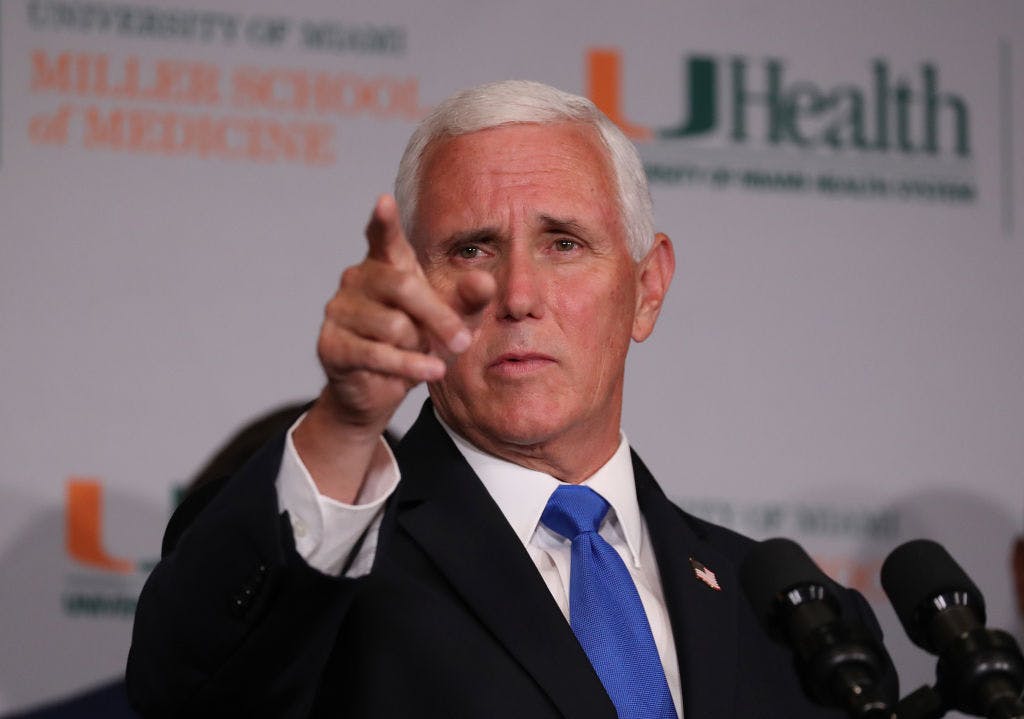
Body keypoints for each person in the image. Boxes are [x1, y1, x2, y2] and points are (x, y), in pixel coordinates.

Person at [127, 80, 892, 718]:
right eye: (472, 249)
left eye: (564, 244)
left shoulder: (795, 620)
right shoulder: (326, 566)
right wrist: (346, 422)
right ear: (411, 286)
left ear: (647, 288)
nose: (518, 294)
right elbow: (191, 692)